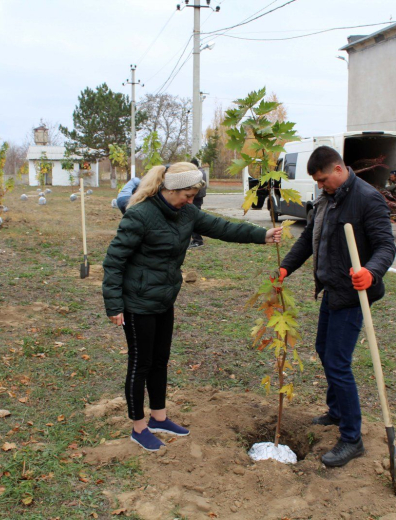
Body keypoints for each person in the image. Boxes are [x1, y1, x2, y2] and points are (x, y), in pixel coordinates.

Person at [102, 162, 283, 452]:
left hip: (164, 299)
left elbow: (221, 227)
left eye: (194, 196)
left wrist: (261, 235)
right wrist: (114, 305)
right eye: (187, 195)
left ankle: (159, 417)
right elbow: (114, 261)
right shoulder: (139, 215)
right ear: (170, 189)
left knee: (160, 360)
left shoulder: (186, 212)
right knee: (140, 364)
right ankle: (139, 427)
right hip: (137, 302)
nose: (191, 201)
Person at [277, 146, 396, 468]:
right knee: (322, 348)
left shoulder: (367, 199)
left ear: (339, 169)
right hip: (332, 290)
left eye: (323, 179)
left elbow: (386, 245)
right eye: (316, 181)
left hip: (354, 294)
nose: (320, 185)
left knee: (338, 362)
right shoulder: (325, 200)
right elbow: (307, 240)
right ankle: (337, 410)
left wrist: (370, 272)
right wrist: (286, 267)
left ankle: (351, 438)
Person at [188, 158, 208, 248]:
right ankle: (196, 239)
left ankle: (198, 240)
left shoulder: (197, 173)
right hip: (198, 197)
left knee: (193, 218)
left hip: (196, 198)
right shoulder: (202, 172)